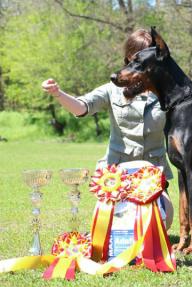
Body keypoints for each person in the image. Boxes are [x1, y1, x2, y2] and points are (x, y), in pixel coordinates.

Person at [41, 29, 173, 180]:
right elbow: (81, 108)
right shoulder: (113, 89)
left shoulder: (167, 92)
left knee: (163, 205)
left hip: (153, 175)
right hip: (116, 175)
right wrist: (57, 93)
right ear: (129, 56)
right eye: (138, 55)